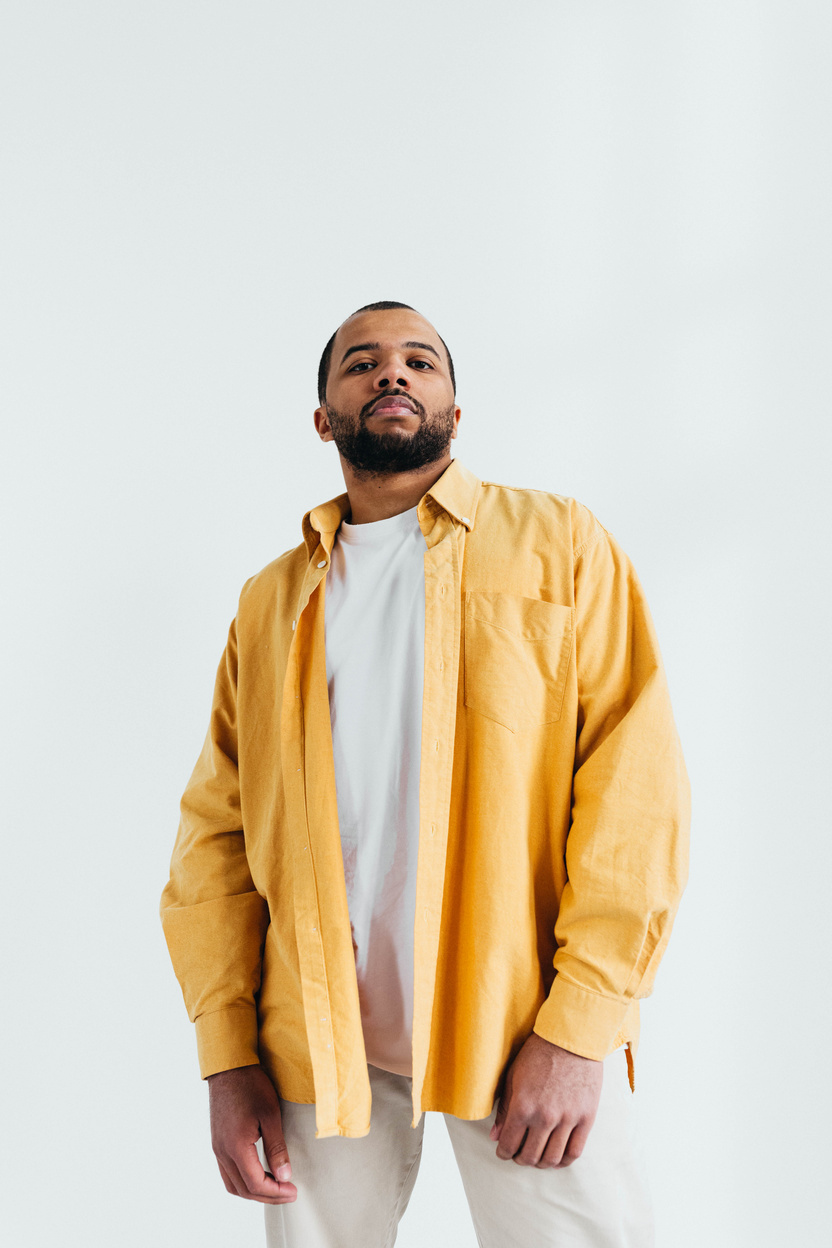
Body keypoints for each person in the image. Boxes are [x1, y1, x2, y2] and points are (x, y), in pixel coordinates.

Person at [160, 300, 691, 1247]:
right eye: (361, 363)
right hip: (317, 1043)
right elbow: (218, 833)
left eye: (420, 360)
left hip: (519, 1017)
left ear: (454, 405)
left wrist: (581, 1027)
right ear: (324, 417)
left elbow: (635, 788)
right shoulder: (272, 600)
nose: (392, 374)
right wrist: (225, 1054)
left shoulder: (559, 543)